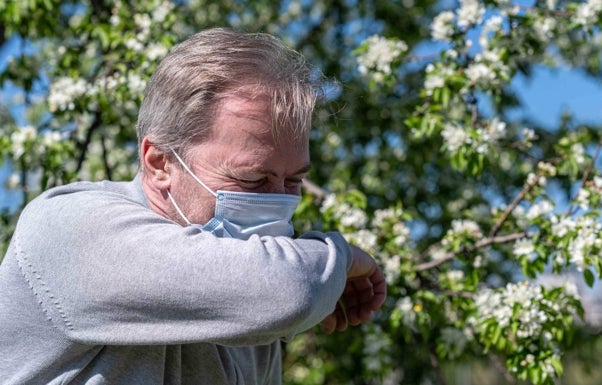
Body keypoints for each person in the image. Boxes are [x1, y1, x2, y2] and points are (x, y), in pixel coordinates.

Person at [0, 28, 386, 384]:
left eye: (294, 181)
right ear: (160, 162)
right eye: (252, 180)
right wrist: (338, 259)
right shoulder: (68, 226)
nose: (278, 201)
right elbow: (291, 290)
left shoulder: (251, 317)